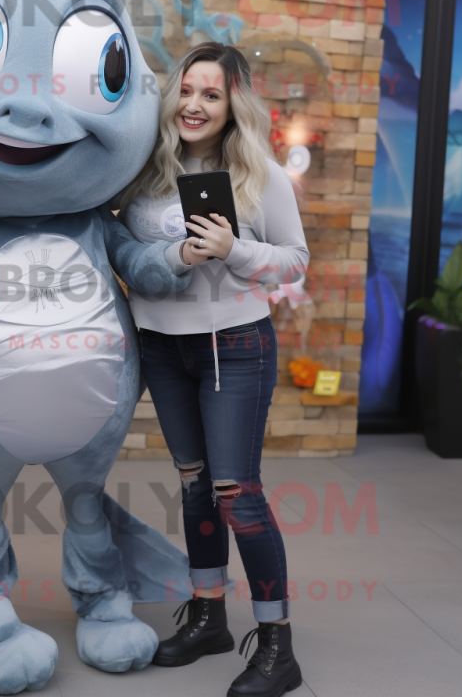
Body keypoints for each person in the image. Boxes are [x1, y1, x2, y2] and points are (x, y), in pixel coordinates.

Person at [118, 42, 309, 696]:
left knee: (238, 496)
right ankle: (208, 616)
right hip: (163, 348)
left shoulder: (262, 175)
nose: (194, 105)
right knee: (196, 487)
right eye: (188, 91)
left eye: (212, 94)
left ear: (233, 106)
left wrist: (236, 250)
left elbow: (294, 260)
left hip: (234, 345)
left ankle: (278, 647)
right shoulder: (144, 171)